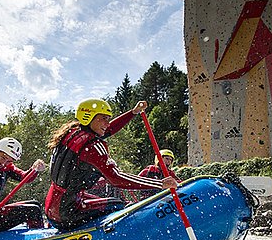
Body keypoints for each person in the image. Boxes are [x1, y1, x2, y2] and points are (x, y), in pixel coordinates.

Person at [45, 98, 178, 230]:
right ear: (89, 117)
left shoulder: (74, 133)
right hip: (66, 213)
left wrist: (133, 112)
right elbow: (116, 178)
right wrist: (161, 184)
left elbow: (109, 129)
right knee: (118, 205)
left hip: (54, 206)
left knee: (112, 201)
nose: (107, 123)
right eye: (104, 118)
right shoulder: (92, 147)